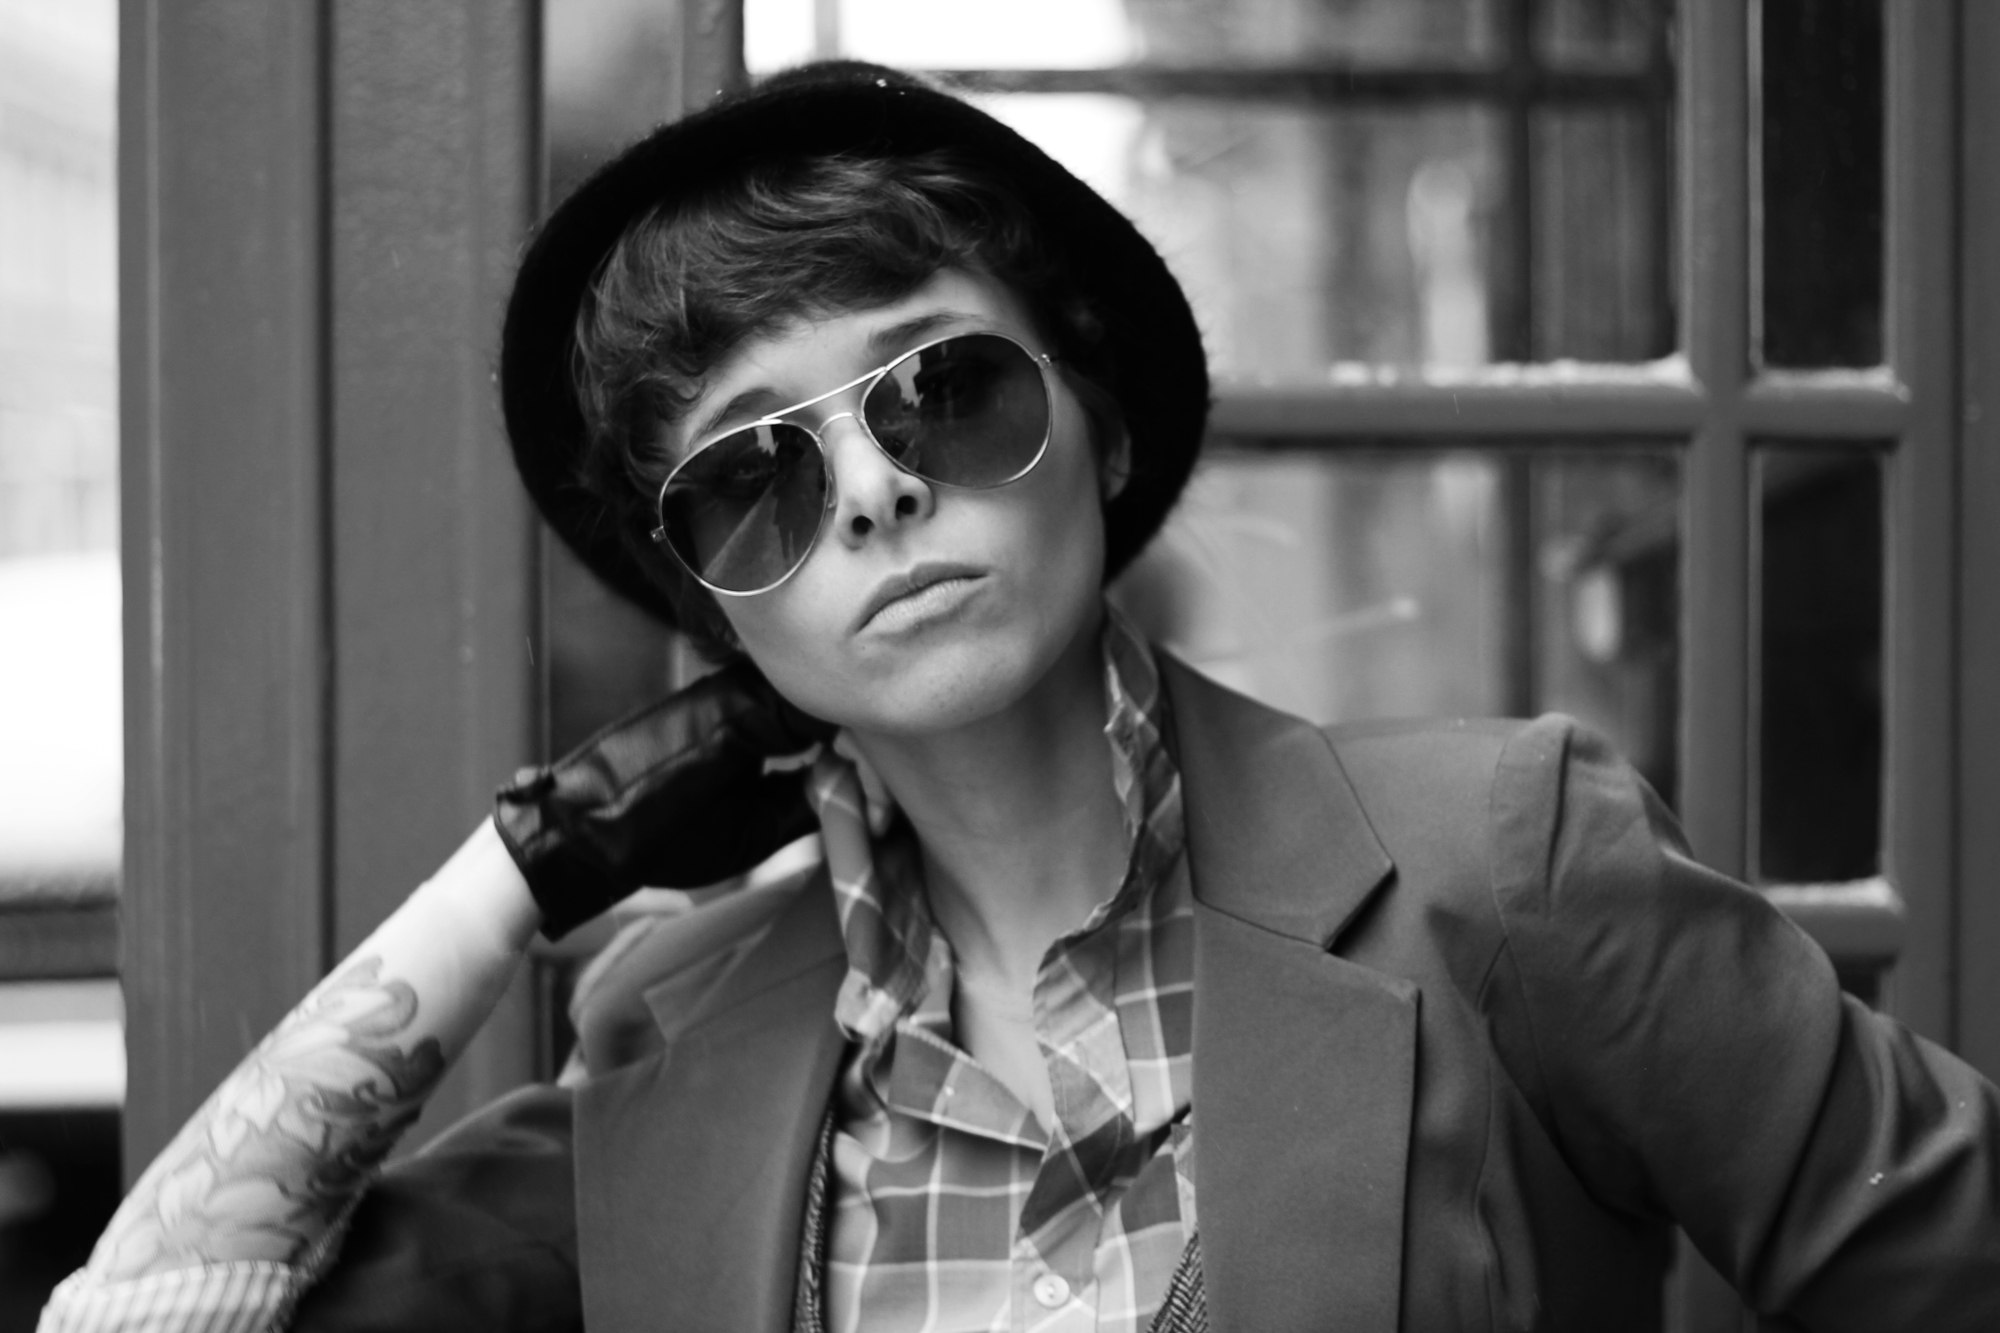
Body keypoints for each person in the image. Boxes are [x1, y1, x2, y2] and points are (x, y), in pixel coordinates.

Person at [40, 61, 2000, 1333]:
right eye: (753, 479)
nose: (875, 493)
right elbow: (149, 1310)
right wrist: (532, 857)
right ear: (713, 604)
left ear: (1098, 424)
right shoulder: (674, 1032)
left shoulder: (1500, 860)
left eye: (943, 391)